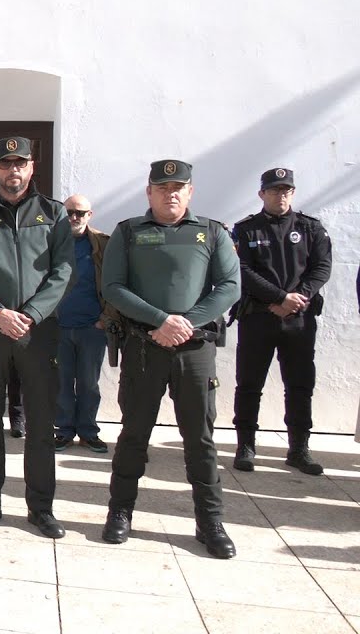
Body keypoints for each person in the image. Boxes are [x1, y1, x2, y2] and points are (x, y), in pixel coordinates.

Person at [100, 159, 241, 559]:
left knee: (200, 439)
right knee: (133, 435)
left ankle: (210, 521)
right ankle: (120, 512)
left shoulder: (212, 233)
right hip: (144, 348)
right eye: (162, 187)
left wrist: (185, 324)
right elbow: (113, 287)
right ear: (149, 192)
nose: (171, 193)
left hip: (194, 350)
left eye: (179, 186)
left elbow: (229, 286)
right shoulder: (128, 233)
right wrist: (161, 321)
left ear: (191, 191)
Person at [0, 136, 72, 539]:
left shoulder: (52, 214)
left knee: (40, 424)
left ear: (31, 167)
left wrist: (32, 314)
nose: (13, 171)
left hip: (38, 334)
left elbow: (63, 272)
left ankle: (41, 508)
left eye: (20, 163)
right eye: (5, 164)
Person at [230, 168, 332, 475]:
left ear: (293, 193)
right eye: (275, 190)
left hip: (299, 319)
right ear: (262, 194)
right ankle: (245, 446)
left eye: (286, 190)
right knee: (249, 384)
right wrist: (277, 299)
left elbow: (321, 268)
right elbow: (242, 271)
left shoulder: (310, 228)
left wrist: (296, 298)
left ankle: (299, 448)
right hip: (259, 317)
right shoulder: (247, 229)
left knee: (300, 385)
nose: (281, 195)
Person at [54, 194, 113, 453]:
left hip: (92, 327)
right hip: (59, 326)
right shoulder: (51, 242)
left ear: (90, 214)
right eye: (69, 212)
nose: (74, 218)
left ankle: (88, 432)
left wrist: (106, 319)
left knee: (89, 383)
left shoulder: (103, 244)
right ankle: (64, 431)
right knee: (62, 382)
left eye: (80, 212)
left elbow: (115, 283)